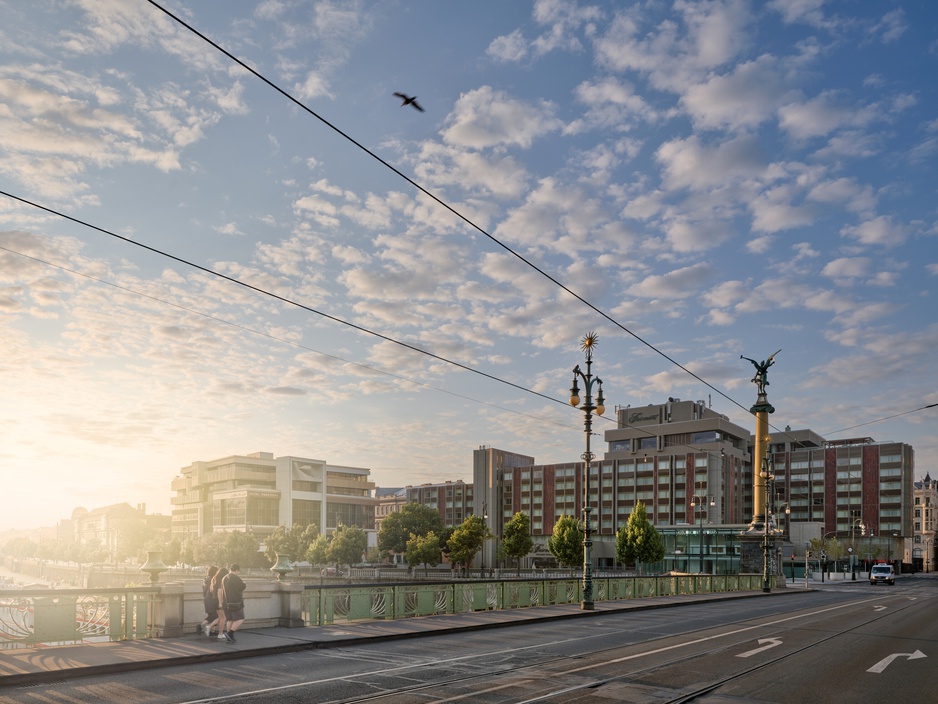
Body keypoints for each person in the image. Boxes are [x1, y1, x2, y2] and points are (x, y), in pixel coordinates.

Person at [221, 563, 246, 643]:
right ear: (236, 570)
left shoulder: (224, 578)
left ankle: (229, 636)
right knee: (241, 618)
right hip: (235, 602)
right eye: (238, 571)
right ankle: (230, 633)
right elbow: (242, 587)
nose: (238, 573)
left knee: (230, 619)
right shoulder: (235, 577)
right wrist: (244, 583)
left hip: (225, 602)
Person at [200, 565, 219, 637]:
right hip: (212, 599)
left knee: (211, 616)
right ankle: (202, 625)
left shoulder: (205, 579)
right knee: (216, 616)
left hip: (206, 599)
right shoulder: (213, 580)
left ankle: (211, 630)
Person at [210, 566, 229, 640]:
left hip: (214, 600)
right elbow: (219, 591)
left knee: (220, 617)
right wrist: (220, 602)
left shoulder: (214, 579)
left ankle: (208, 627)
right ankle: (220, 634)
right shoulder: (221, 581)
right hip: (219, 600)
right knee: (223, 618)